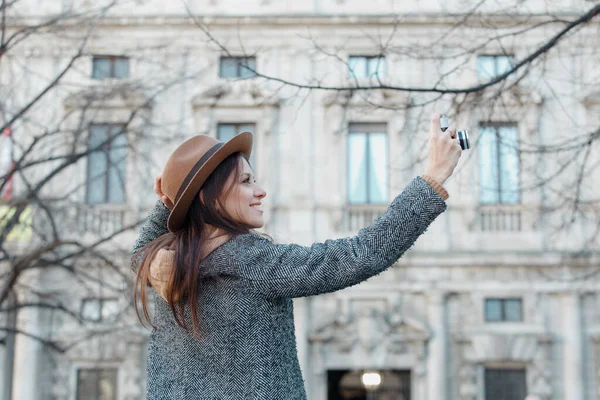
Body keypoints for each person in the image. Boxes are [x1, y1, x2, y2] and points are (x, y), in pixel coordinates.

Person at [131, 111, 462, 399]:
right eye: (246, 181)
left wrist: (169, 206)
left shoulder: (164, 265)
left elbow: (138, 254)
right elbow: (362, 253)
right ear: (209, 197)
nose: (260, 191)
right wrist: (432, 178)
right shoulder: (250, 263)